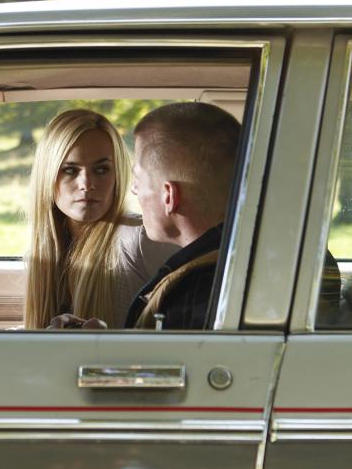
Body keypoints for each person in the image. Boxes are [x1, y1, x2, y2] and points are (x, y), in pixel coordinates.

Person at [24, 109, 176, 329]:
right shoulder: (44, 250)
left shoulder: (141, 239)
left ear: (117, 175)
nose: (87, 184)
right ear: (47, 176)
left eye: (102, 169)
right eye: (70, 170)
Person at [124, 102, 241, 330]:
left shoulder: (196, 289)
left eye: (138, 178)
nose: (134, 189)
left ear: (169, 196)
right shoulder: (253, 257)